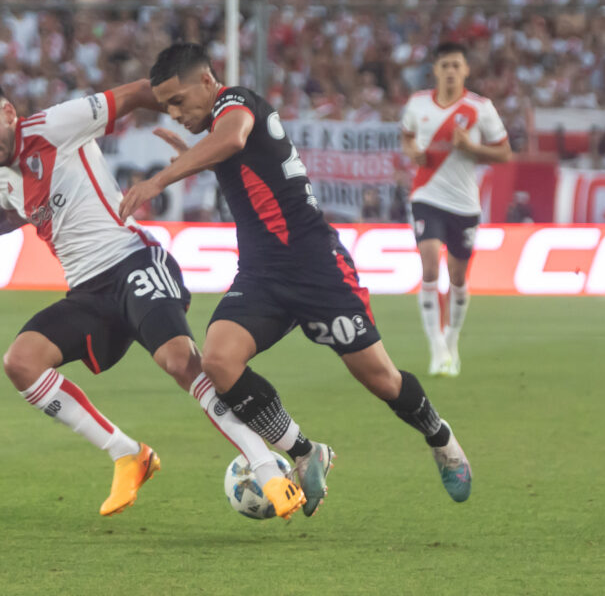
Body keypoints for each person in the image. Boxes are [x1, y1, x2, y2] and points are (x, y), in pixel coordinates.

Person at [0, 77, 310, 519]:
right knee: (21, 362)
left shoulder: (56, 125)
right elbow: (10, 213)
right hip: (89, 291)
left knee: (180, 362)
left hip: (134, 261)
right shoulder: (1, 172)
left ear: (8, 112)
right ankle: (128, 454)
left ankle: (266, 468)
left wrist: (205, 120)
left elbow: (141, 90)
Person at [120, 43, 472, 504]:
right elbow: (232, 155)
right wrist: (190, 153)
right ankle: (305, 452)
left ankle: (441, 439)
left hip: (317, 269)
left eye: (178, 101)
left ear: (207, 82)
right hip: (262, 275)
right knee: (219, 362)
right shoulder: (217, 124)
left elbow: (230, 140)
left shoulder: (237, 103)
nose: (173, 112)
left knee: (381, 379)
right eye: (165, 106)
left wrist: (157, 181)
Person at [400, 42, 512, 377]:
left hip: (464, 203)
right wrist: (413, 153)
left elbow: (504, 153)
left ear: (465, 70)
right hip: (426, 195)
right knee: (430, 263)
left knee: (459, 276)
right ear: (435, 70)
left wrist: (471, 147)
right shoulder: (418, 103)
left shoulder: (481, 108)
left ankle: (452, 340)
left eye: (456, 65)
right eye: (444, 65)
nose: (450, 71)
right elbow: (407, 137)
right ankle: (435, 348)